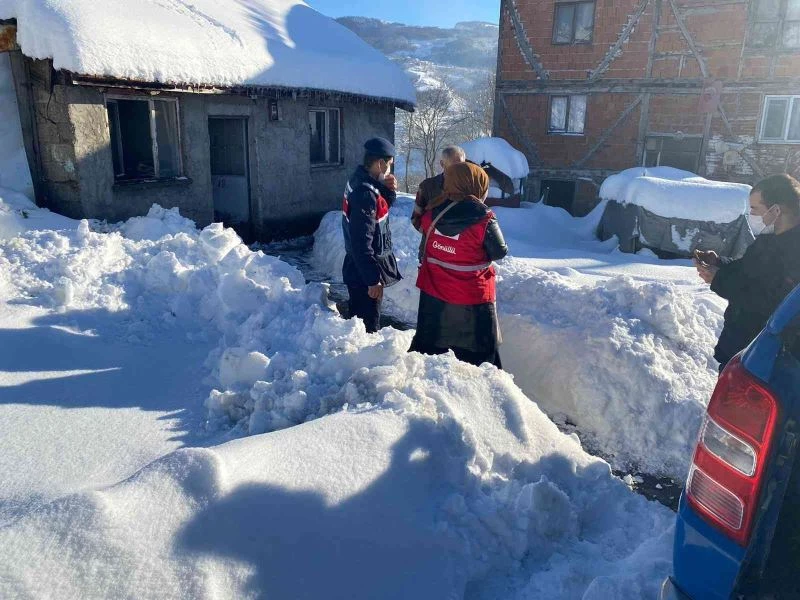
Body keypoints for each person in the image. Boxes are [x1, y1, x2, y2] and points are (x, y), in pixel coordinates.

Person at [695, 174, 800, 370]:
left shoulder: (795, 252)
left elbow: (776, 303)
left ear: (775, 210)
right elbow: (747, 271)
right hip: (741, 352)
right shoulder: (770, 239)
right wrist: (719, 263)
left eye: (754, 208)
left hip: (765, 363)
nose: (750, 215)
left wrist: (719, 279)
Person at [409, 161, 508, 368]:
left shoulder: (432, 213)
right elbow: (499, 251)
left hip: (434, 295)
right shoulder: (485, 217)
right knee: (478, 361)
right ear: (476, 184)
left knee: (432, 355)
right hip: (472, 300)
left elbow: (421, 226)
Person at [342, 138, 402, 333]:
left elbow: (380, 210)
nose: (389, 170)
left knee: (359, 323)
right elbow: (361, 241)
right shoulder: (364, 195)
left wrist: (387, 189)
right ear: (380, 163)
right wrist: (372, 279)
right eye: (389, 165)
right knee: (367, 328)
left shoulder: (363, 181)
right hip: (362, 271)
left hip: (359, 266)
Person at [411, 145, 467, 231]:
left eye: (461, 165)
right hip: (432, 242)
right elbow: (416, 219)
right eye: (454, 165)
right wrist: (433, 235)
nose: (458, 169)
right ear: (442, 164)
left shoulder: (468, 187)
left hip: (461, 243)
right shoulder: (427, 186)